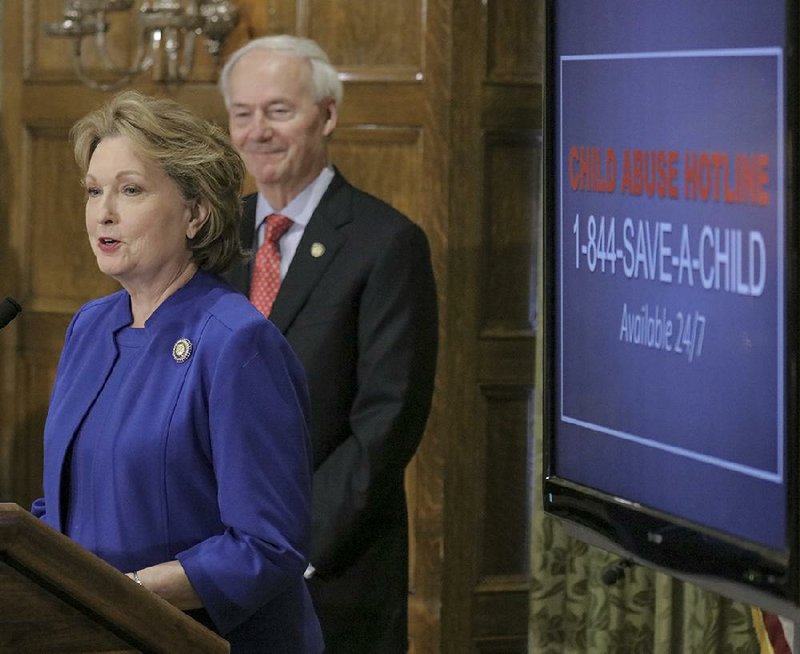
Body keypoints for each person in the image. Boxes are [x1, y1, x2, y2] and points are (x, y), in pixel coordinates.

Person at [31, 90, 323, 653]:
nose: (103, 212)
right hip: (97, 633)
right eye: (94, 191)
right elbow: (64, 506)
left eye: (131, 190)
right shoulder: (90, 328)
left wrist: (121, 592)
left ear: (196, 213)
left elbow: (267, 546)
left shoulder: (239, 344)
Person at [219, 35, 439, 653]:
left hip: (329, 567)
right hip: (211, 558)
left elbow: (388, 419)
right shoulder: (213, 235)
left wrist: (290, 543)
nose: (257, 131)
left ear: (328, 115)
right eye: (242, 114)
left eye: (278, 111)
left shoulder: (386, 242)